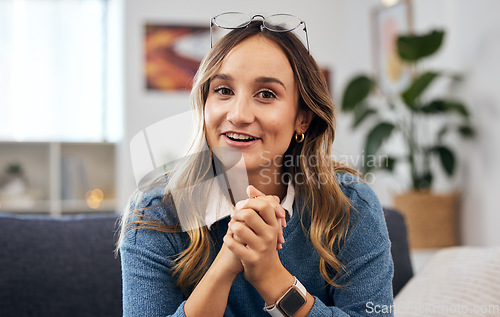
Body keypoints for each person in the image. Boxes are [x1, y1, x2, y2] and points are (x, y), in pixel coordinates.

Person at [117, 13, 394, 317]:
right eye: (223, 90)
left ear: (303, 117)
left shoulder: (350, 205)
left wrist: (271, 278)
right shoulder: (155, 213)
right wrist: (226, 264)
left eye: (266, 94)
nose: (238, 114)